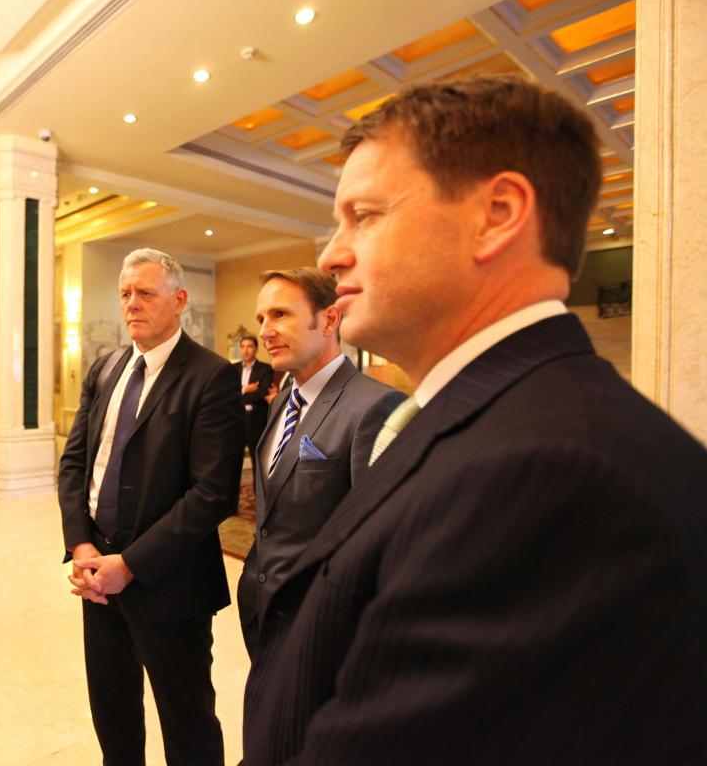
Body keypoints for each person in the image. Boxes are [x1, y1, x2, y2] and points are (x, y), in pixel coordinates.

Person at [242, 74, 707, 764]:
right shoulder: (484, 415)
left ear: (497, 214)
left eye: (364, 216)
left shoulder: (554, 474)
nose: (332, 254)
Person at [58, 247, 243, 765]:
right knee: (113, 714)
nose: (131, 304)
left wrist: (131, 565)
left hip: (171, 584)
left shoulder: (211, 376)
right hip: (97, 578)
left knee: (186, 722)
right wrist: (81, 544)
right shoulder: (107, 367)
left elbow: (212, 495)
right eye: (124, 294)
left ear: (179, 300)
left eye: (145, 293)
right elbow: (75, 464)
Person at [236, 267, 401, 658]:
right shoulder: (280, 402)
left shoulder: (374, 406)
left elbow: (377, 546)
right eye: (262, 318)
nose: (264, 331)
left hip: (322, 630)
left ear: (329, 318)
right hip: (261, 613)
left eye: (280, 314)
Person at [232, 335, 274, 480]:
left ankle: (259, 499)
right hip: (236, 420)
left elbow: (262, 393)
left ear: (256, 349)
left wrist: (239, 395)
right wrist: (245, 389)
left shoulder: (266, 369)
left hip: (255, 420)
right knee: (232, 463)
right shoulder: (232, 369)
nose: (246, 350)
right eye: (243, 346)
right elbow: (227, 393)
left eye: (249, 346)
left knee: (258, 462)